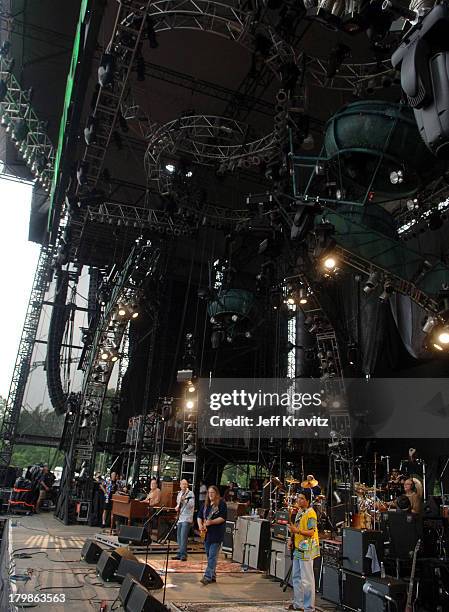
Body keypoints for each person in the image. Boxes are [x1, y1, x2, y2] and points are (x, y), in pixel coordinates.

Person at [287, 489, 320, 612]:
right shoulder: (300, 511)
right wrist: (291, 539)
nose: (298, 500)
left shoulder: (311, 513)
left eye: (301, 498)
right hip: (298, 546)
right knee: (296, 576)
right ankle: (298, 604)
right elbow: (295, 527)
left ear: (307, 500)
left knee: (307, 579)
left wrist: (297, 532)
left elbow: (312, 532)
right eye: (298, 498)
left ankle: (309, 607)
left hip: (307, 548)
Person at [197, 485, 227, 585]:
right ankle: (213, 575)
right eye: (209, 493)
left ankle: (207, 577)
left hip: (217, 534)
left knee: (212, 556)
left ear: (216, 493)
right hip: (207, 534)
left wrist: (212, 522)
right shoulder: (206, 505)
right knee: (209, 555)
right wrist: (200, 525)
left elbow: (223, 518)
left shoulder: (221, 504)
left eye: (212, 492)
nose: (210, 494)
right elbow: (199, 516)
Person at [173, 479, 195, 561]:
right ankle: (180, 553)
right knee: (179, 536)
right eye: (183, 484)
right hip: (180, 517)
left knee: (183, 536)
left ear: (187, 485)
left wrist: (184, 500)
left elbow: (191, 505)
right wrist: (177, 507)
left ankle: (183, 554)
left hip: (187, 518)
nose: (184, 486)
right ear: (180, 485)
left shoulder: (190, 493)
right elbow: (178, 504)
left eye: (186, 484)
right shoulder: (179, 494)